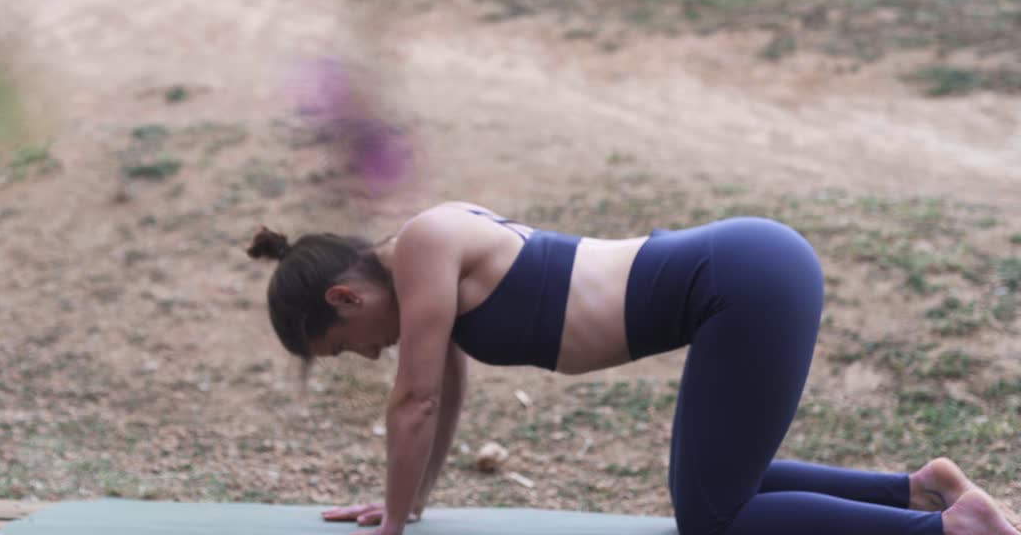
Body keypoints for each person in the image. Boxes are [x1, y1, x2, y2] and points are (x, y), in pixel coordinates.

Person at [246, 201, 1020, 535]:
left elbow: (411, 400)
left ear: (346, 297)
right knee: (717, 493)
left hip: (741, 279)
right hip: (743, 275)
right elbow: (441, 392)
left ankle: (944, 529)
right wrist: (408, 506)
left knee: (712, 521)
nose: (371, 355)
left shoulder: (423, 244)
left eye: (347, 345)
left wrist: (388, 527)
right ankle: (923, 489)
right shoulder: (424, 266)